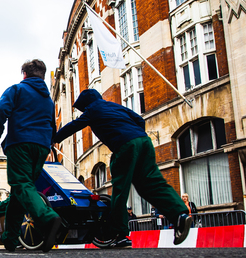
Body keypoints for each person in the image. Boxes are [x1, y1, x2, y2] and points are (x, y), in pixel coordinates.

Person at [54, 89, 192, 248]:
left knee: (120, 190)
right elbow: (138, 119)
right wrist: (136, 135)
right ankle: (179, 215)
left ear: (86, 104)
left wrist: (53, 139)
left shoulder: (92, 110)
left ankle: (120, 234)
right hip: (144, 142)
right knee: (153, 184)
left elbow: (72, 127)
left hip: (124, 146)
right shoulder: (115, 106)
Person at [0, 59, 61, 253]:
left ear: (25, 75)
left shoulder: (17, 90)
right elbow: (52, 126)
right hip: (42, 147)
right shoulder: (48, 100)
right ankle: (10, 239)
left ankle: (48, 218)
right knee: (19, 194)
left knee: (21, 184)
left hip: (20, 142)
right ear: (42, 76)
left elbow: (0, 110)